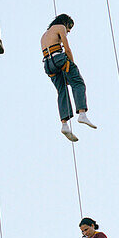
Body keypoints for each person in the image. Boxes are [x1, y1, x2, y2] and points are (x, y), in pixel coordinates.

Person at [41, 14, 95, 142]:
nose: (69, 30)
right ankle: (82, 113)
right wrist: (72, 63)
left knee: (62, 91)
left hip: (48, 65)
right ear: (65, 23)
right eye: (69, 27)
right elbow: (67, 48)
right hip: (59, 58)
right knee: (78, 83)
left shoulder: (44, 35)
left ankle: (64, 124)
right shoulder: (60, 27)